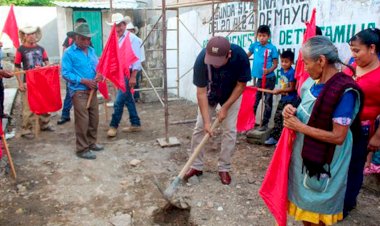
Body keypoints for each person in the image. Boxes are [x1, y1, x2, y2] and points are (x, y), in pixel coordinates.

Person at [283, 36, 362, 225]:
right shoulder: (312, 83)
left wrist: (300, 127)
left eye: (306, 62)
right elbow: (304, 110)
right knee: (304, 210)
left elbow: (338, 136)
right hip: (305, 157)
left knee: (317, 214)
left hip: (326, 161)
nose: (304, 67)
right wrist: (291, 110)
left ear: (321, 61)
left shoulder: (344, 92)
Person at [183, 36, 251, 185]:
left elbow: (241, 85)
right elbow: (201, 92)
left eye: (218, 62)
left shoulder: (240, 57)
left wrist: (225, 107)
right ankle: (196, 166)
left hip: (232, 94)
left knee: (230, 130)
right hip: (210, 93)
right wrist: (208, 122)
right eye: (212, 61)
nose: (215, 65)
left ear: (229, 55)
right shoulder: (202, 59)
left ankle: (224, 168)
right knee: (200, 127)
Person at [343, 28, 380, 216]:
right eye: (351, 50)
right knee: (340, 166)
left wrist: (377, 137)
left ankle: (347, 205)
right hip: (342, 126)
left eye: (357, 50)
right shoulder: (351, 65)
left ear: (372, 48)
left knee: (354, 168)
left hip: (363, 129)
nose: (353, 55)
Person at [61, 23, 104, 160]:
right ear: (76, 38)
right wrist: (83, 80)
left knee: (94, 119)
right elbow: (65, 73)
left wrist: (99, 75)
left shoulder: (91, 51)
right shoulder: (69, 53)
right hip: (79, 92)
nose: (86, 42)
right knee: (82, 122)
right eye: (83, 39)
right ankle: (82, 149)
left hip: (92, 91)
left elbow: (98, 68)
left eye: (88, 39)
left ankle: (91, 143)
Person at [14, 25, 54, 139]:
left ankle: (45, 123)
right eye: (28, 34)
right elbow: (17, 67)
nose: (31, 36)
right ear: (24, 36)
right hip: (28, 82)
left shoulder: (41, 49)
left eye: (33, 33)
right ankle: (26, 129)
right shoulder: (20, 50)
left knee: (44, 103)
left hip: (41, 81)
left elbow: (47, 62)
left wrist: (46, 70)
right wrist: (20, 83)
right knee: (28, 106)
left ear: (36, 35)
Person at [106, 13, 142, 137]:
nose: (117, 29)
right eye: (115, 26)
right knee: (128, 99)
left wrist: (133, 76)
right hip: (121, 73)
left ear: (125, 25)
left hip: (130, 73)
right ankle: (135, 123)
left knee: (119, 100)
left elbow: (137, 59)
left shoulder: (132, 39)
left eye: (120, 26)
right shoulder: (117, 38)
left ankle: (113, 125)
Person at [247, 25, 279, 131]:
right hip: (258, 79)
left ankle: (264, 124)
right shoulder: (255, 45)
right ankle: (250, 123)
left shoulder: (272, 48)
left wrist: (269, 70)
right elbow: (247, 55)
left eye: (264, 36)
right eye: (260, 35)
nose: (262, 38)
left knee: (267, 102)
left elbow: (275, 64)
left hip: (269, 79)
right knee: (255, 101)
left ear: (268, 36)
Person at [58, 18, 88, 125]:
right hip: (72, 72)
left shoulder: (88, 42)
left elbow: (90, 55)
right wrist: (64, 63)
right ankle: (65, 115)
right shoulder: (69, 41)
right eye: (79, 25)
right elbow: (64, 49)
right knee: (69, 94)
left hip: (83, 74)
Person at [265, 50, 298, 145]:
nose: (283, 63)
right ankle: (275, 138)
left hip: (290, 100)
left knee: (285, 120)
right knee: (277, 118)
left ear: (291, 62)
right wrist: (280, 91)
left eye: (286, 62)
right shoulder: (283, 71)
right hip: (283, 98)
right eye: (282, 61)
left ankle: (283, 141)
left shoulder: (292, 73)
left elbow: (292, 88)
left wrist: (279, 91)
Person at [126, 22, 145, 103]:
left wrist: (139, 64)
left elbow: (141, 54)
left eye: (131, 30)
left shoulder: (138, 40)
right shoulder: (125, 41)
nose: (130, 32)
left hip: (136, 65)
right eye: (128, 30)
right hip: (128, 66)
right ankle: (129, 98)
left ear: (133, 31)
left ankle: (135, 98)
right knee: (128, 83)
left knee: (135, 82)